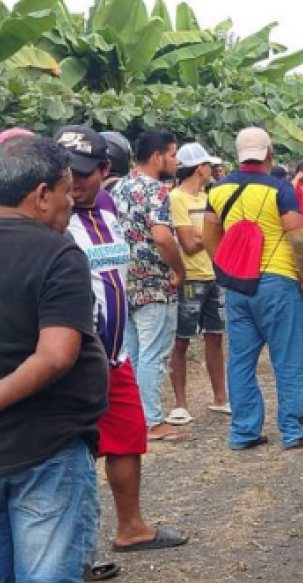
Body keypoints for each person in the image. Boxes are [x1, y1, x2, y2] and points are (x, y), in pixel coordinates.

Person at [0, 134, 109, 583]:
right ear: (40, 194)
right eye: (64, 194)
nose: (72, 202)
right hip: (42, 454)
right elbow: (56, 354)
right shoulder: (57, 254)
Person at [55, 124, 191, 558]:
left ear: (104, 170)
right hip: (73, 360)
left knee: (129, 437)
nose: (73, 183)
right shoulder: (53, 219)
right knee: (71, 455)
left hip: (114, 355)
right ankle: (74, 550)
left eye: (83, 173)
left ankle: (130, 527)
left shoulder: (110, 207)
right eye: (65, 174)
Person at [204, 127, 303, 451]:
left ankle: (244, 432)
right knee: (290, 358)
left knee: (241, 360)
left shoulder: (217, 189)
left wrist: (224, 268)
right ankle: (293, 431)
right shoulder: (280, 189)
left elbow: (209, 234)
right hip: (278, 281)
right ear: (269, 153)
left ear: (238, 155)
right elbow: (298, 237)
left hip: (238, 285)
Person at [111, 129, 192, 442]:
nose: (176, 160)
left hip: (124, 280)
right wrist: (178, 268)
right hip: (155, 282)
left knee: (130, 353)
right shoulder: (158, 191)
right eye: (173, 154)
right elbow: (161, 236)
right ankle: (153, 420)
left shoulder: (119, 187)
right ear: (158, 157)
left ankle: (133, 416)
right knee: (154, 354)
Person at [167, 143, 231, 427]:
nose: (212, 170)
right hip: (190, 275)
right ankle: (180, 403)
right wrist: (209, 235)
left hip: (213, 274)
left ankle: (220, 397)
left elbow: (200, 238)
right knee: (181, 340)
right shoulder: (176, 198)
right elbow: (189, 244)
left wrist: (201, 234)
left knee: (215, 337)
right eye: (208, 165)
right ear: (199, 168)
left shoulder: (208, 197)